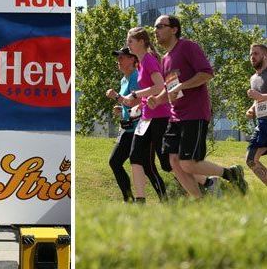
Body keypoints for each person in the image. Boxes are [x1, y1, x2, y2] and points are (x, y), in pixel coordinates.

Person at [148, 15, 248, 197]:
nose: (155, 30)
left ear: (174, 29)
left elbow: (207, 74)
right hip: (175, 116)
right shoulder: (165, 59)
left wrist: (183, 85)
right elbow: (171, 90)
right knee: (174, 161)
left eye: (160, 26)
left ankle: (231, 173)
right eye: (155, 27)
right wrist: (157, 99)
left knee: (188, 163)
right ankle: (200, 202)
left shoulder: (187, 47)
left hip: (194, 113)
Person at [122, 28, 172, 202]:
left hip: (160, 117)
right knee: (135, 157)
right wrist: (136, 108)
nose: (127, 44)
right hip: (146, 118)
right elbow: (149, 92)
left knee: (167, 163)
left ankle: (208, 182)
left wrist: (135, 94)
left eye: (130, 41)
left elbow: (160, 86)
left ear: (141, 42)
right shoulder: (141, 63)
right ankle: (140, 201)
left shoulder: (149, 60)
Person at [105, 47, 140, 202]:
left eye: (122, 57)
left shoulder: (136, 77)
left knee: (144, 165)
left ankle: (164, 198)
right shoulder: (123, 80)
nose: (118, 61)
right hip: (127, 128)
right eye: (118, 58)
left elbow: (136, 101)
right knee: (115, 161)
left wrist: (117, 96)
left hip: (139, 128)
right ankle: (129, 199)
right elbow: (128, 104)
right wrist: (121, 109)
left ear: (132, 59)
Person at [245, 44, 267, 186]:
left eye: (256, 54)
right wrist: (252, 108)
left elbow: (260, 96)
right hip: (262, 123)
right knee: (251, 159)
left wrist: (260, 96)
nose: (252, 57)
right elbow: (258, 99)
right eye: (251, 54)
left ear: (265, 56)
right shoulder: (253, 78)